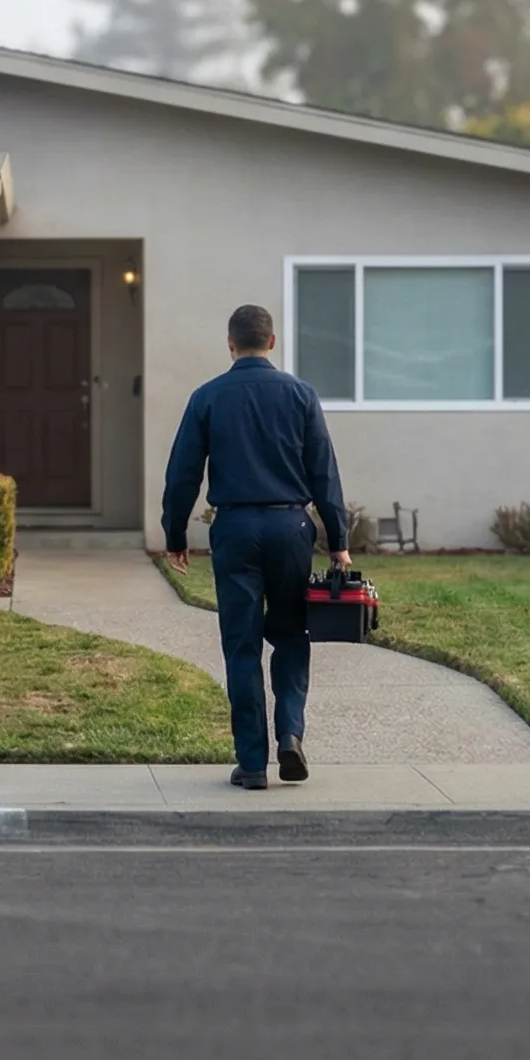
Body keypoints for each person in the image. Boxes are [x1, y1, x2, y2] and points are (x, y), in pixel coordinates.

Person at [160, 303, 350, 790]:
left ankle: (251, 763)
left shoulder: (207, 397)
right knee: (290, 636)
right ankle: (290, 733)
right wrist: (339, 542)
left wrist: (175, 535)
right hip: (290, 529)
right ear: (271, 341)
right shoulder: (301, 395)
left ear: (230, 344)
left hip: (236, 530)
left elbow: (183, 472)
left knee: (241, 646)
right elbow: (323, 471)